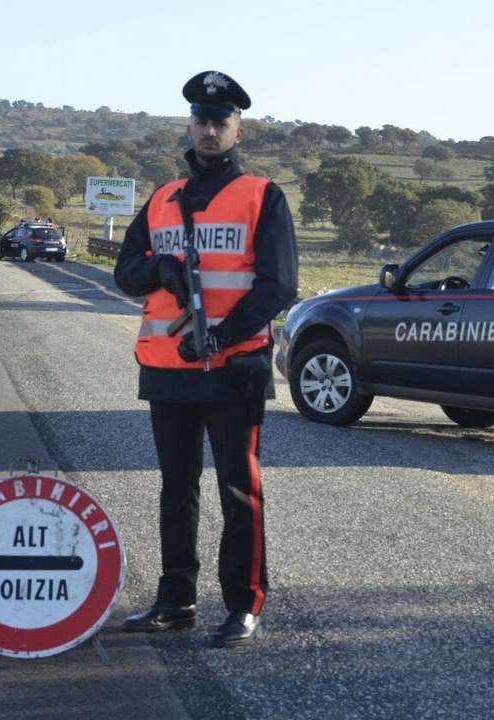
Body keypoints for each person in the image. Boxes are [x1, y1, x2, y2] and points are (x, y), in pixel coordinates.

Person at [114, 70, 298, 648]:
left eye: (222, 123)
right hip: (168, 367)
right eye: (202, 121)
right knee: (177, 487)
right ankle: (175, 599)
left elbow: (278, 286)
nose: (210, 131)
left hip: (232, 367)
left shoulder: (262, 197)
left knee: (238, 491)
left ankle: (244, 603)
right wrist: (160, 269)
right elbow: (126, 272)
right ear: (189, 128)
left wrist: (221, 335)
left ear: (238, 132)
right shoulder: (163, 198)